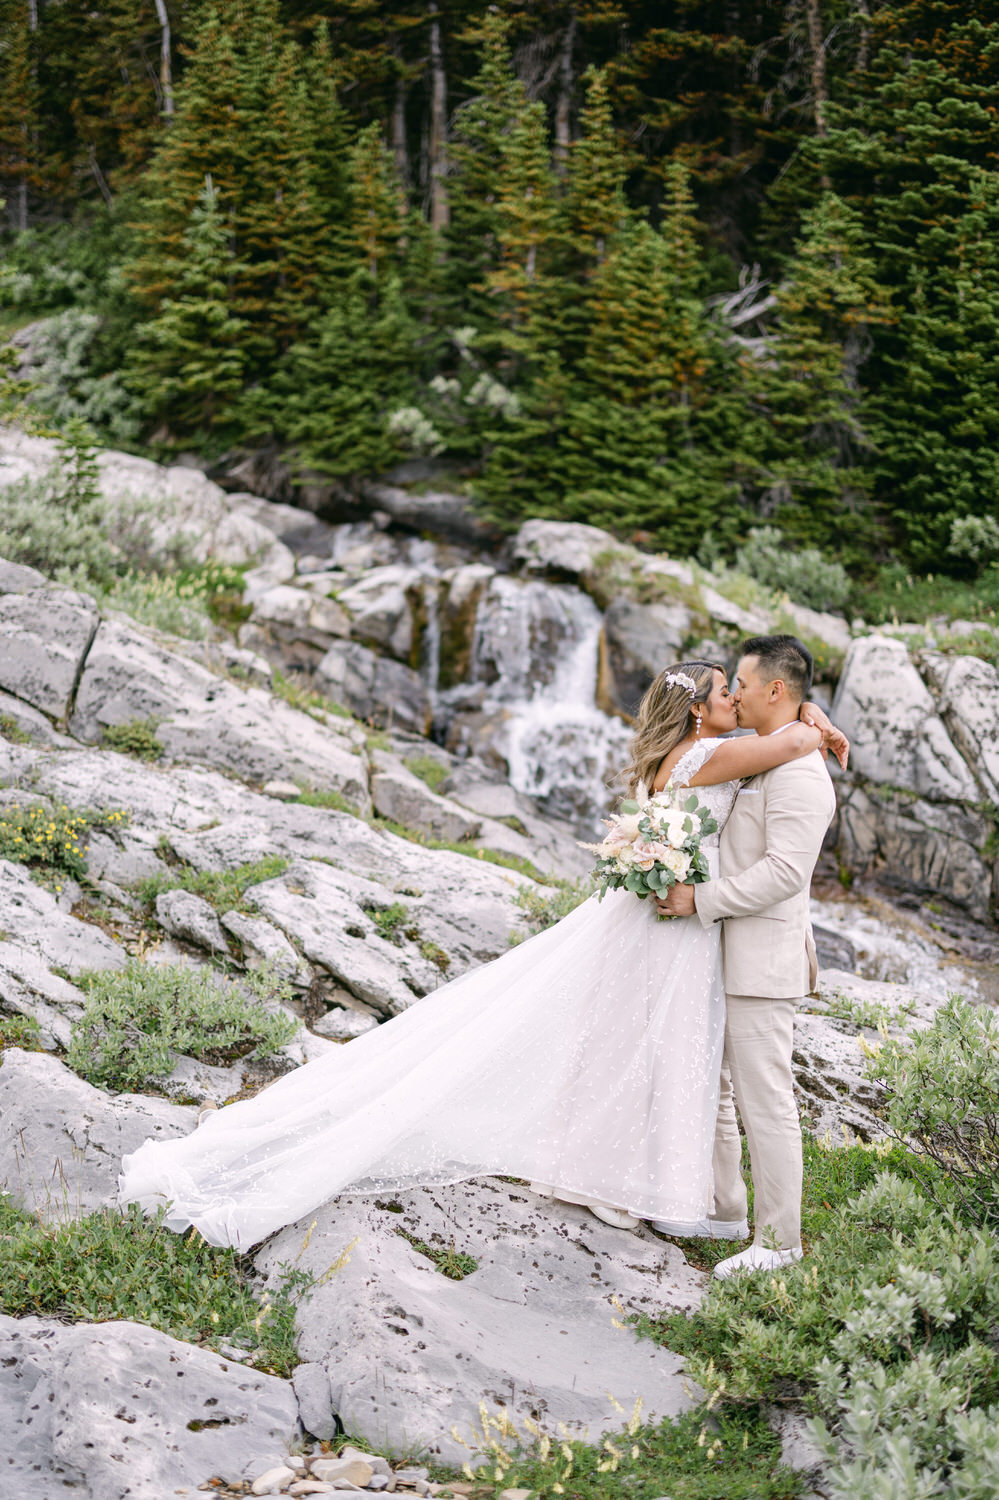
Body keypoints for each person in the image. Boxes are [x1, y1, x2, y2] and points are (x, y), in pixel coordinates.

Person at [118, 658, 846, 1252]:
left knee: (634, 1048)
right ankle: (632, 1183)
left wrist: (802, 716)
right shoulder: (708, 755)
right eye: (727, 691)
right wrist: (815, 721)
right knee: (640, 1051)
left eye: (742, 688)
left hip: (668, 927)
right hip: (669, 927)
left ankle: (681, 1193)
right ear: (698, 709)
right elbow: (784, 744)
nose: (737, 697)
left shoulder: (676, 755)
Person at [658, 636, 838, 1279]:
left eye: (741, 680)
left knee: (768, 1101)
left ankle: (780, 1242)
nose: (731, 691)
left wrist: (698, 900)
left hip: (764, 962)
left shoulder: (800, 772)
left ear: (774, 691)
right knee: (726, 1088)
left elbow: (786, 872)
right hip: (727, 953)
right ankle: (726, 1208)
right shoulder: (761, 754)